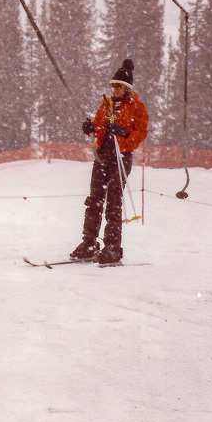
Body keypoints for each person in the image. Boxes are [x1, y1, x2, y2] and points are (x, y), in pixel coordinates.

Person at [70, 58, 148, 266]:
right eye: (113, 85)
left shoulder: (137, 108)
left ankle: (112, 246)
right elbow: (97, 125)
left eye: (119, 86)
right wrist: (90, 128)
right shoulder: (106, 105)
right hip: (103, 156)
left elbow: (140, 134)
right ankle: (89, 242)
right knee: (94, 199)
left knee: (113, 202)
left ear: (127, 88)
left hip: (121, 157)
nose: (115, 89)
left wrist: (123, 132)